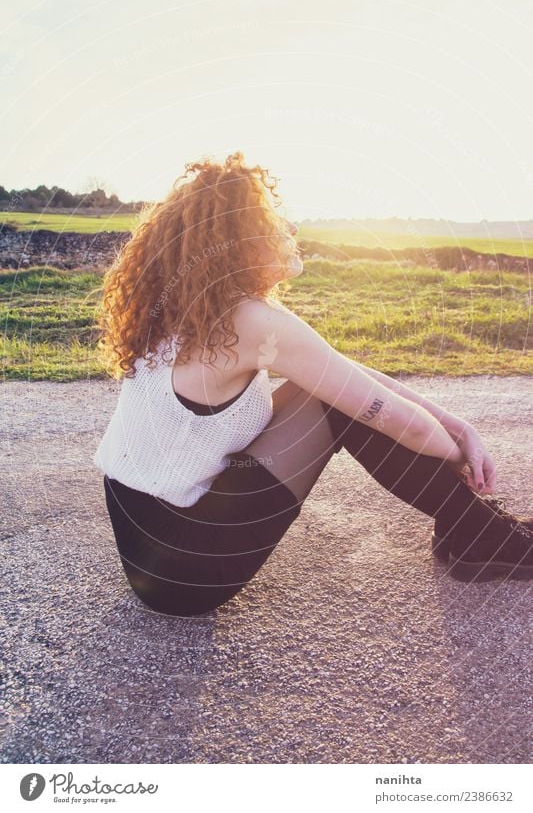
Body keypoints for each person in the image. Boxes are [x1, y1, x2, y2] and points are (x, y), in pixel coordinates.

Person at [92, 151, 533, 618]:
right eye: (274, 222)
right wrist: (460, 455)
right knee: (341, 406)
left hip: (150, 540)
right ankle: (478, 535)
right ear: (239, 240)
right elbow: (396, 420)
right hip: (182, 569)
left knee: (335, 394)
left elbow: (350, 376)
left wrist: (459, 427)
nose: (292, 230)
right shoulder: (250, 320)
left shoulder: (201, 306)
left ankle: (470, 530)